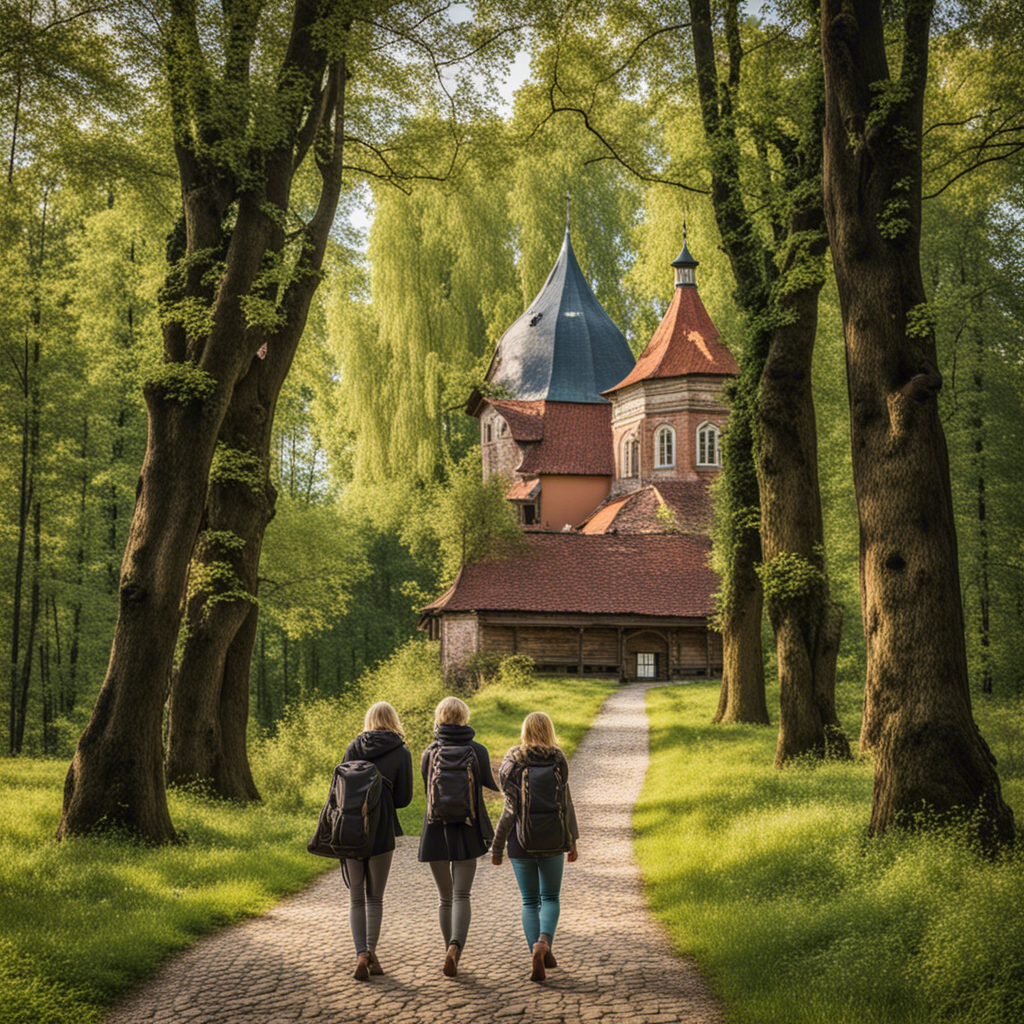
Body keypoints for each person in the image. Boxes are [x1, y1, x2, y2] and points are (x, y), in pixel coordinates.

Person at [491, 711, 579, 983]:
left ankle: (535, 950)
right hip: (553, 839)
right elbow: (566, 801)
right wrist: (572, 840)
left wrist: (497, 848)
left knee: (530, 902)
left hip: (521, 841)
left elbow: (509, 810)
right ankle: (544, 944)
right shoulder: (558, 758)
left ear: (525, 731)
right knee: (551, 898)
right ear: (550, 731)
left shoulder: (512, 760)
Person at [418, 695, 499, 977]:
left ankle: (446, 951)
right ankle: (456, 949)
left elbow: (426, 787)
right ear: (464, 717)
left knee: (445, 898)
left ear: (439, 718)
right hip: (468, 828)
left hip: (435, 830)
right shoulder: (477, 750)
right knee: (462, 894)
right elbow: (491, 783)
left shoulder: (429, 752)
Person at [341, 701, 413, 981]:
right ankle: (370, 952)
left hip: (351, 830)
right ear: (393, 720)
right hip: (381, 829)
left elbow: (339, 788)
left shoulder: (352, 747)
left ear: (368, 719)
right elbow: (404, 799)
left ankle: (361, 953)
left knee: (356, 896)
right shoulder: (401, 750)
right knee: (375, 897)